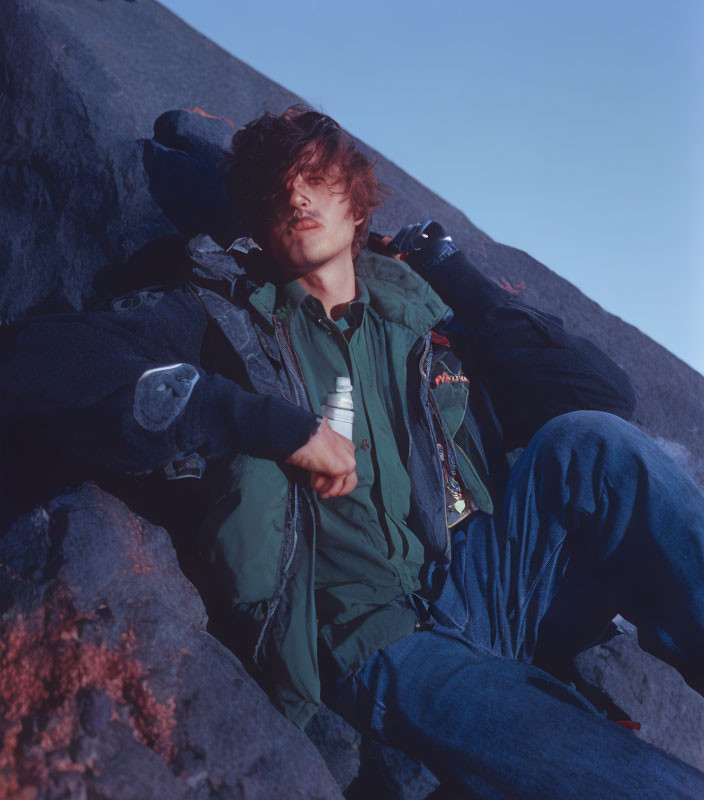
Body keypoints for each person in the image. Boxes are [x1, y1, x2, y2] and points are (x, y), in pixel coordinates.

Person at [2, 104, 704, 798]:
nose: (297, 195)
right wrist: (260, 422)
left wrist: (454, 271)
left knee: (592, 442)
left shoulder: (423, 324)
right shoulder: (219, 318)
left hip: (480, 583)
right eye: (276, 189)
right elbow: (39, 362)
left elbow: (597, 389)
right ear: (252, 218)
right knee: (596, 765)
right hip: (374, 637)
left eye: (317, 179)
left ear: (358, 207)